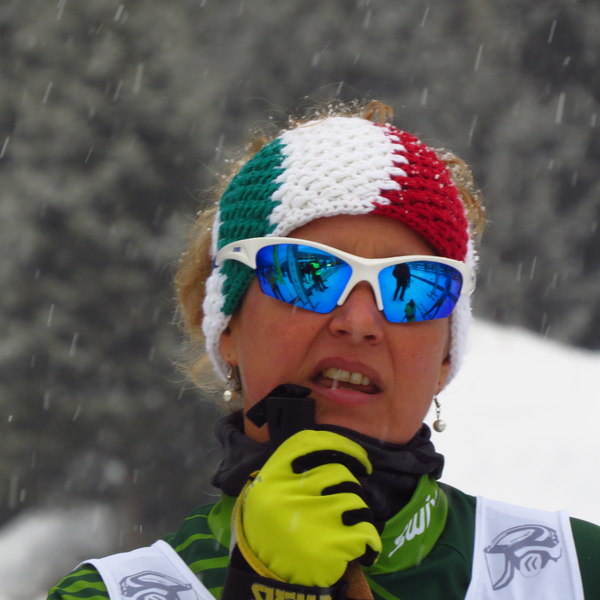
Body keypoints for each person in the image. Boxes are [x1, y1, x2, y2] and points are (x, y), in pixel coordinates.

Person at [48, 101, 600, 600]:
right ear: (227, 328)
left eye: (413, 285)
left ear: (445, 358)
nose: (359, 323)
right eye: (306, 273)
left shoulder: (577, 573)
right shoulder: (108, 595)